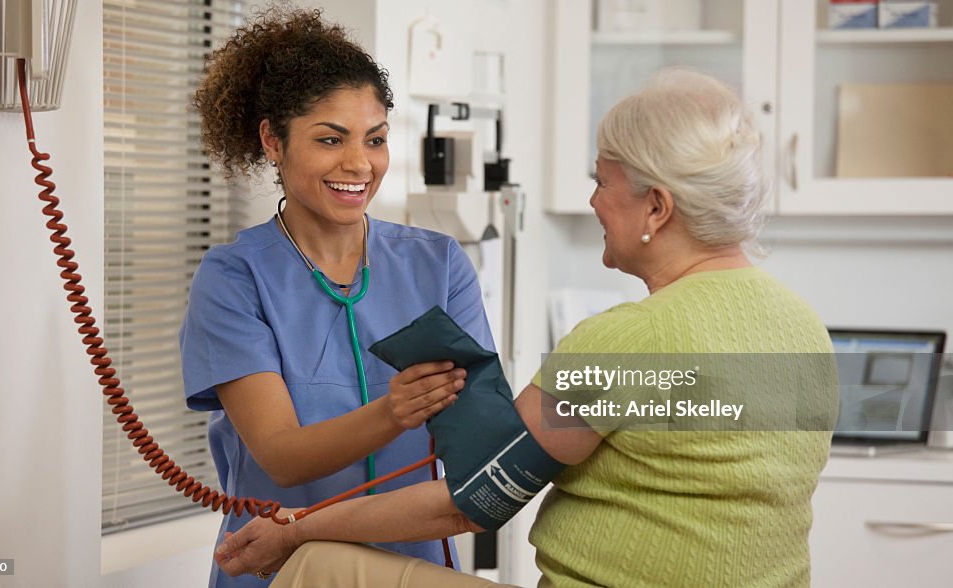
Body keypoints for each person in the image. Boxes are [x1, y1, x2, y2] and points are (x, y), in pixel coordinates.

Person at [211, 69, 839, 588]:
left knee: (314, 567)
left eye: (602, 181)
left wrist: (296, 531)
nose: (594, 200)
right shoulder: (805, 327)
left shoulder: (625, 346)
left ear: (657, 207)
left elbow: (474, 500)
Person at [179, 7, 495, 587]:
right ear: (273, 140)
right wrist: (395, 411)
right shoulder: (234, 279)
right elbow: (281, 455)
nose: (359, 164)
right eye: (330, 139)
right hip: (280, 569)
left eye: (375, 140)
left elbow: (483, 437)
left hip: (411, 570)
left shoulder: (440, 264)